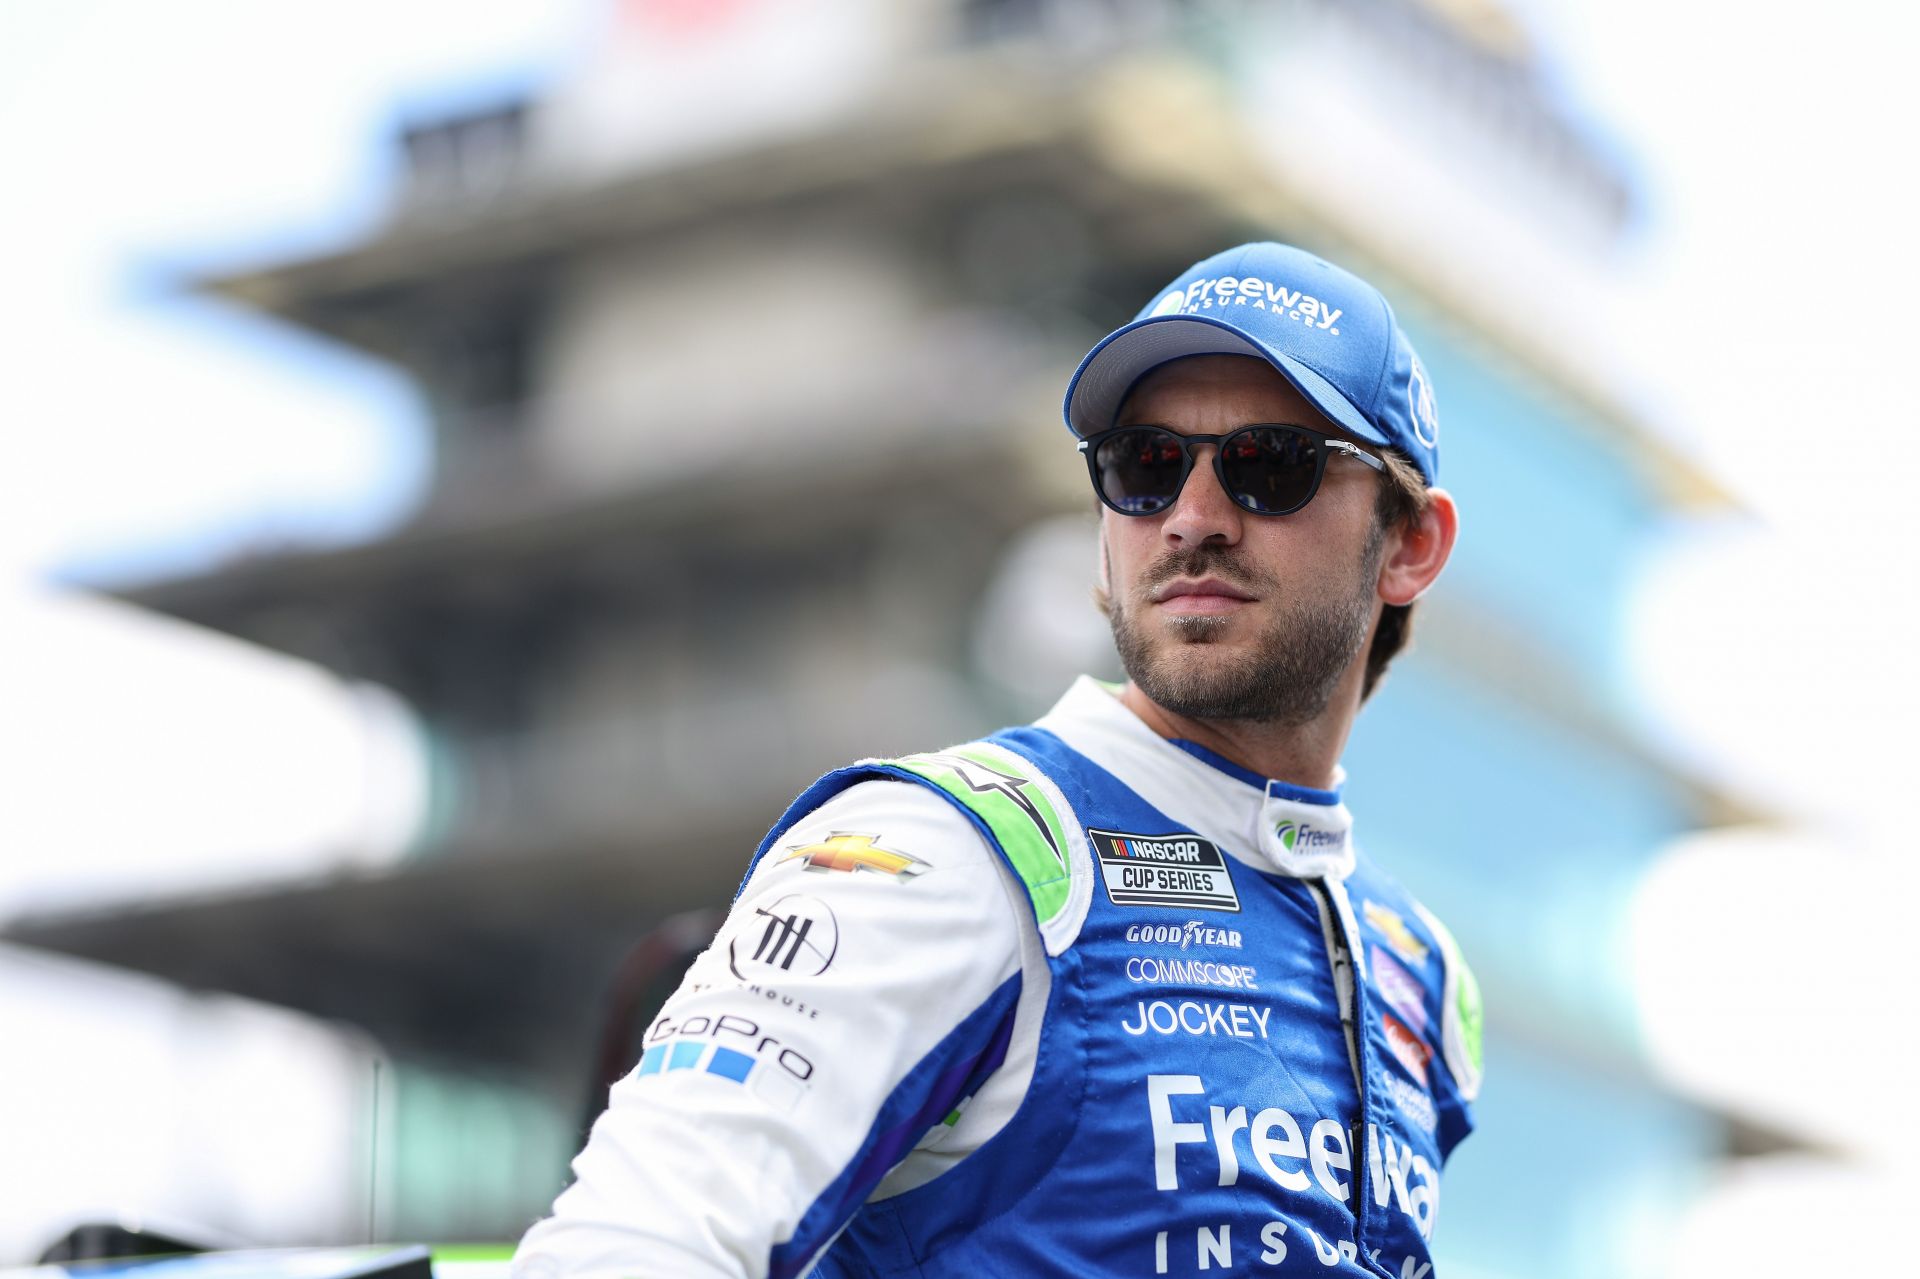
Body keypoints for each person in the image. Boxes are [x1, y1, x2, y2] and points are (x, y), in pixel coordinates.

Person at [512, 242, 1483, 1278]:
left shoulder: (1420, 971)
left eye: (1269, 463)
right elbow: (626, 1248)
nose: (1193, 518)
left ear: (1410, 543)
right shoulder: (937, 848)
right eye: (1146, 464)